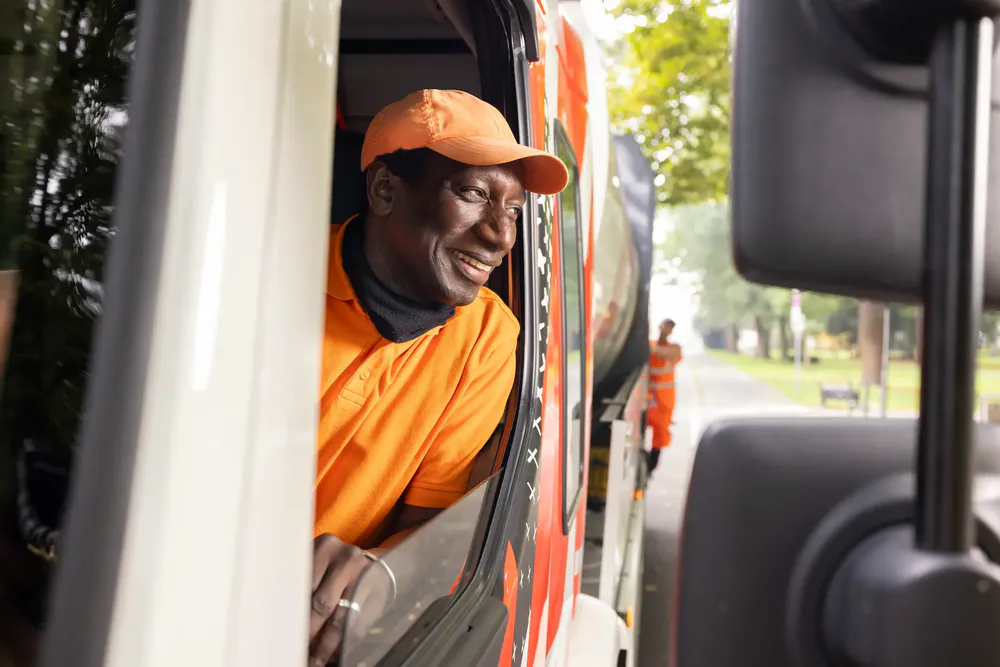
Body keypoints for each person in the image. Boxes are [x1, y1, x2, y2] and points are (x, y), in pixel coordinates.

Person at [308, 89, 568, 665]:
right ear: (384, 190)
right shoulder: (274, 276)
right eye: (475, 194)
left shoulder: (487, 339)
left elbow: (425, 522)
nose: (501, 234)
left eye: (515, 209)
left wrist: (376, 573)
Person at [647, 319, 682, 473]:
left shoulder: (675, 349)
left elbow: (661, 353)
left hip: (663, 402)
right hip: (647, 398)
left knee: (660, 435)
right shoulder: (650, 344)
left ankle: (651, 465)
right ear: (659, 327)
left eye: (669, 328)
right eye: (664, 326)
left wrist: (650, 347)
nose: (665, 330)